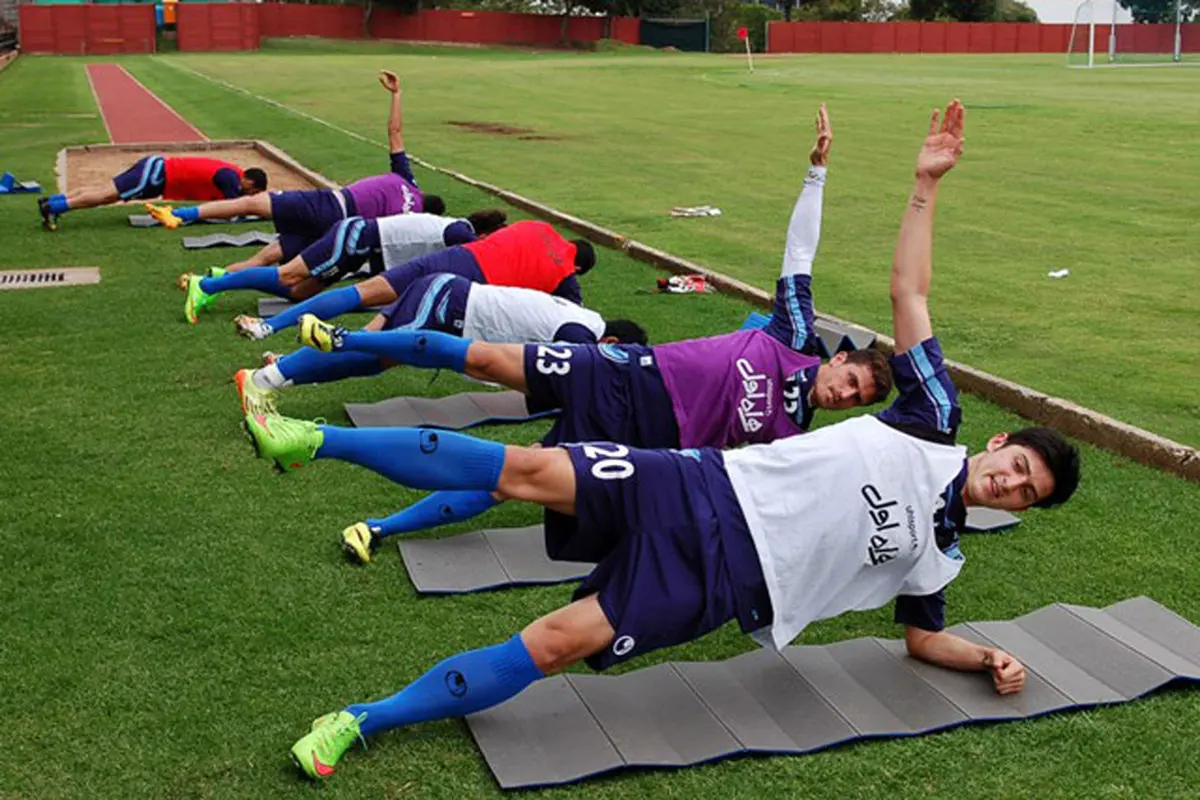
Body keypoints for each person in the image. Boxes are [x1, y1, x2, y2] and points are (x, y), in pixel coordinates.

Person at [240, 99, 1081, 781]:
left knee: (554, 644)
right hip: (700, 482)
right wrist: (924, 187)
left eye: (1025, 494)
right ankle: (312, 438)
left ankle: (359, 720)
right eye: (1017, 467)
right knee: (521, 468)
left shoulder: (941, 557)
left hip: (722, 580)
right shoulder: (931, 417)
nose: (1009, 485)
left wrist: (985, 658)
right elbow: (910, 294)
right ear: (998, 441)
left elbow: (921, 635)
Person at [295, 104, 892, 561]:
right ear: (840, 360)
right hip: (626, 371)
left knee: (512, 479)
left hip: (645, 437)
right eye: (852, 381)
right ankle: (349, 340)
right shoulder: (791, 333)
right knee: (485, 360)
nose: (845, 394)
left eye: (856, 399)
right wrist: (816, 175)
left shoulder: (792, 435)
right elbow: (799, 253)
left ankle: (379, 528)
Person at [144, 70, 445, 272]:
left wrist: (396, 94)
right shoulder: (409, 222)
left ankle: (179, 215)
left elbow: (395, 132)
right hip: (337, 230)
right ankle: (209, 282)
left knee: (252, 204)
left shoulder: (406, 178)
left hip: (330, 203)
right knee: (270, 256)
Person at [234, 274, 648, 416]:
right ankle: (267, 378)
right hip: (449, 301)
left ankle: (277, 375)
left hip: (449, 298)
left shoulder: (585, 322)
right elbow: (561, 385)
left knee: (375, 360)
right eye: (617, 355)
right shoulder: (580, 335)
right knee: (375, 351)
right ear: (610, 341)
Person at [229, 219, 595, 341]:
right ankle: (287, 362)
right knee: (385, 335)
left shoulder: (537, 226)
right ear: (579, 267)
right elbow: (570, 313)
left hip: (458, 256)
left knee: (360, 293)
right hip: (465, 290)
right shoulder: (567, 277)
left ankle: (268, 327)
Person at [178, 208, 508, 324]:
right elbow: (473, 257)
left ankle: (223, 278)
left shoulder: (456, 227)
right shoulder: (460, 231)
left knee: (298, 292)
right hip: (355, 237)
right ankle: (205, 286)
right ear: (485, 233)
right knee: (288, 274)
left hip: (360, 245)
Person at [37, 155, 267, 232]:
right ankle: (54, 208)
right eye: (252, 191)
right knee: (107, 196)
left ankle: (52, 202)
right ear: (248, 181)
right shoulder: (230, 178)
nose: (249, 195)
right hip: (157, 174)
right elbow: (231, 210)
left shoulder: (231, 173)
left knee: (104, 191)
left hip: (156, 169)